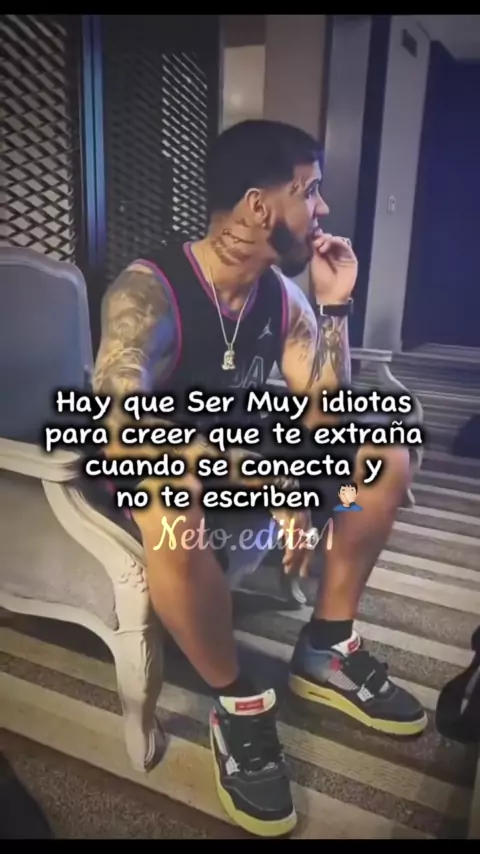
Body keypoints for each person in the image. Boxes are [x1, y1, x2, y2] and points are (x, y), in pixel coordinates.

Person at [92, 119, 427, 838]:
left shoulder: (281, 296)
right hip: (164, 477)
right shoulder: (148, 291)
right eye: (311, 191)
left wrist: (334, 305)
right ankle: (236, 702)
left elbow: (326, 413)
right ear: (258, 206)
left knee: (384, 450)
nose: (323, 208)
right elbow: (120, 429)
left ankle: (327, 643)